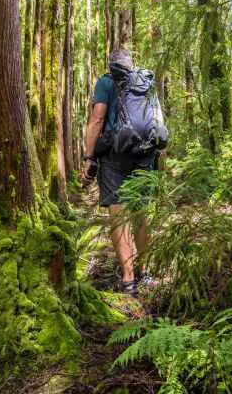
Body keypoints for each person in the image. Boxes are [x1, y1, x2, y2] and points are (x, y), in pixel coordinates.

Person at [81, 48, 159, 296]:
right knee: (141, 213)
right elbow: (158, 121)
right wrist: (158, 159)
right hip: (145, 154)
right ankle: (145, 272)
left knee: (118, 212)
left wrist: (89, 158)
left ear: (111, 65)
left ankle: (128, 279)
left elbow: (97, 119)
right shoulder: (146, 83)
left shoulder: (106, 82)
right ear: (131, 64)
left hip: (115, 155)